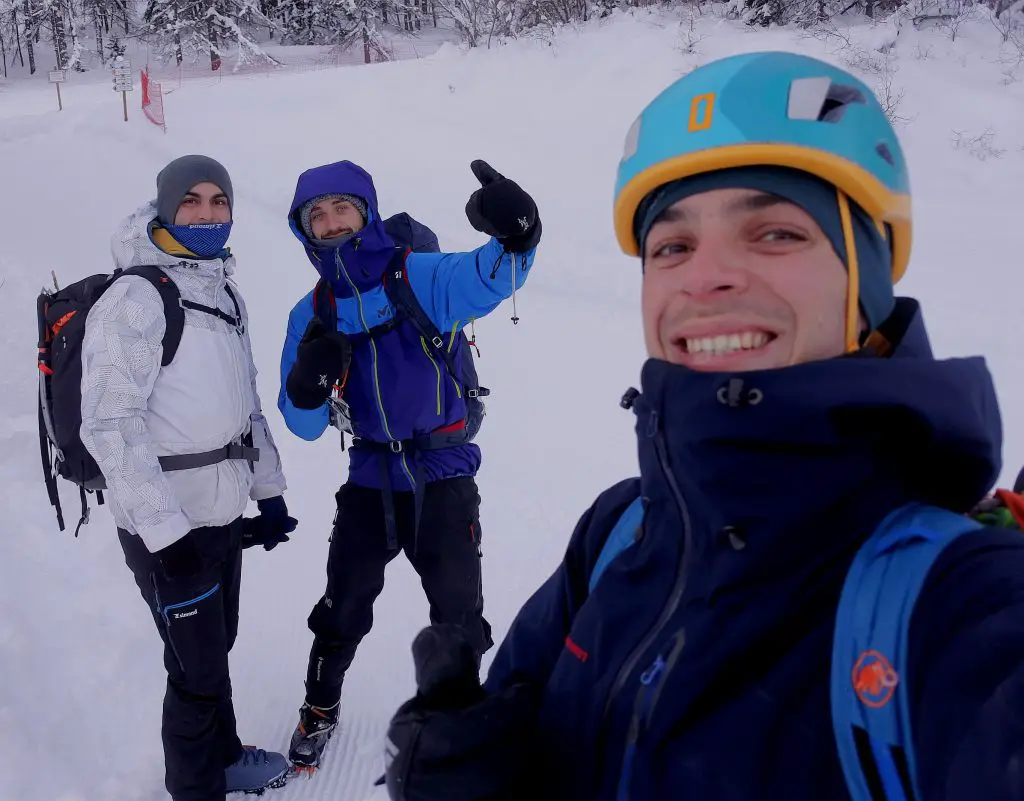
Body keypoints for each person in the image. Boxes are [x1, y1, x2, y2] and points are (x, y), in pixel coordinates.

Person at [380, 52, 1024, 801]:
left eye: (776, 233)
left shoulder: (955, 607)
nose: (704, 276)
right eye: (672, 246)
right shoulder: (617, 531)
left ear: (867, 279)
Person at [278, 158, 541, 770]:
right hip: (370, 477)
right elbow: (303, 425)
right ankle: (319, 707)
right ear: (304, 230)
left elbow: (492, 277)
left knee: (457, 610)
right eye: (316, 214)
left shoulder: (418, 275)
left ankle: (458, 720)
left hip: (442, 473)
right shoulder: (309, 311)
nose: (331, 221)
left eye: (342, 206)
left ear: (366, 212)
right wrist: (308, 387)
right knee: (342, 606)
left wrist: (518, 235)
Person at [80, 155, 298, 801]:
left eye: (218, 201)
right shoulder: (138, 296)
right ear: (167, 208)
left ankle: (224, 755)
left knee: (215, 643)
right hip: (168, 522)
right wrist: (162, 532)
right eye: (192, 201)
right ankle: (195, 787)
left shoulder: (223, 291)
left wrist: (270, 490)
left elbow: (247, 403)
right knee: (195, 668)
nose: (207, 213)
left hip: (221, 509)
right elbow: (109, 424)